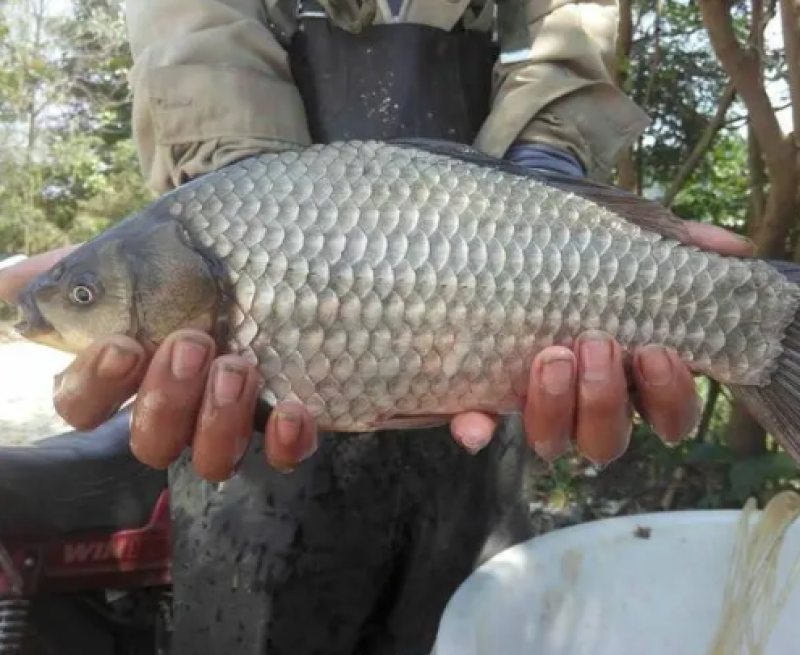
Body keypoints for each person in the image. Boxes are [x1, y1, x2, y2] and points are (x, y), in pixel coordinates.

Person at [0, 1, 753, 653]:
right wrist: (241, 173)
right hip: (258, 460)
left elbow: (570, 21)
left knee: (454, 619)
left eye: (86, 295)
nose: (60, 316)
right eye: (87, 295)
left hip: (492, 387)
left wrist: (547, 171)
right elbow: (196, 35)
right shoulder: (213, 242)